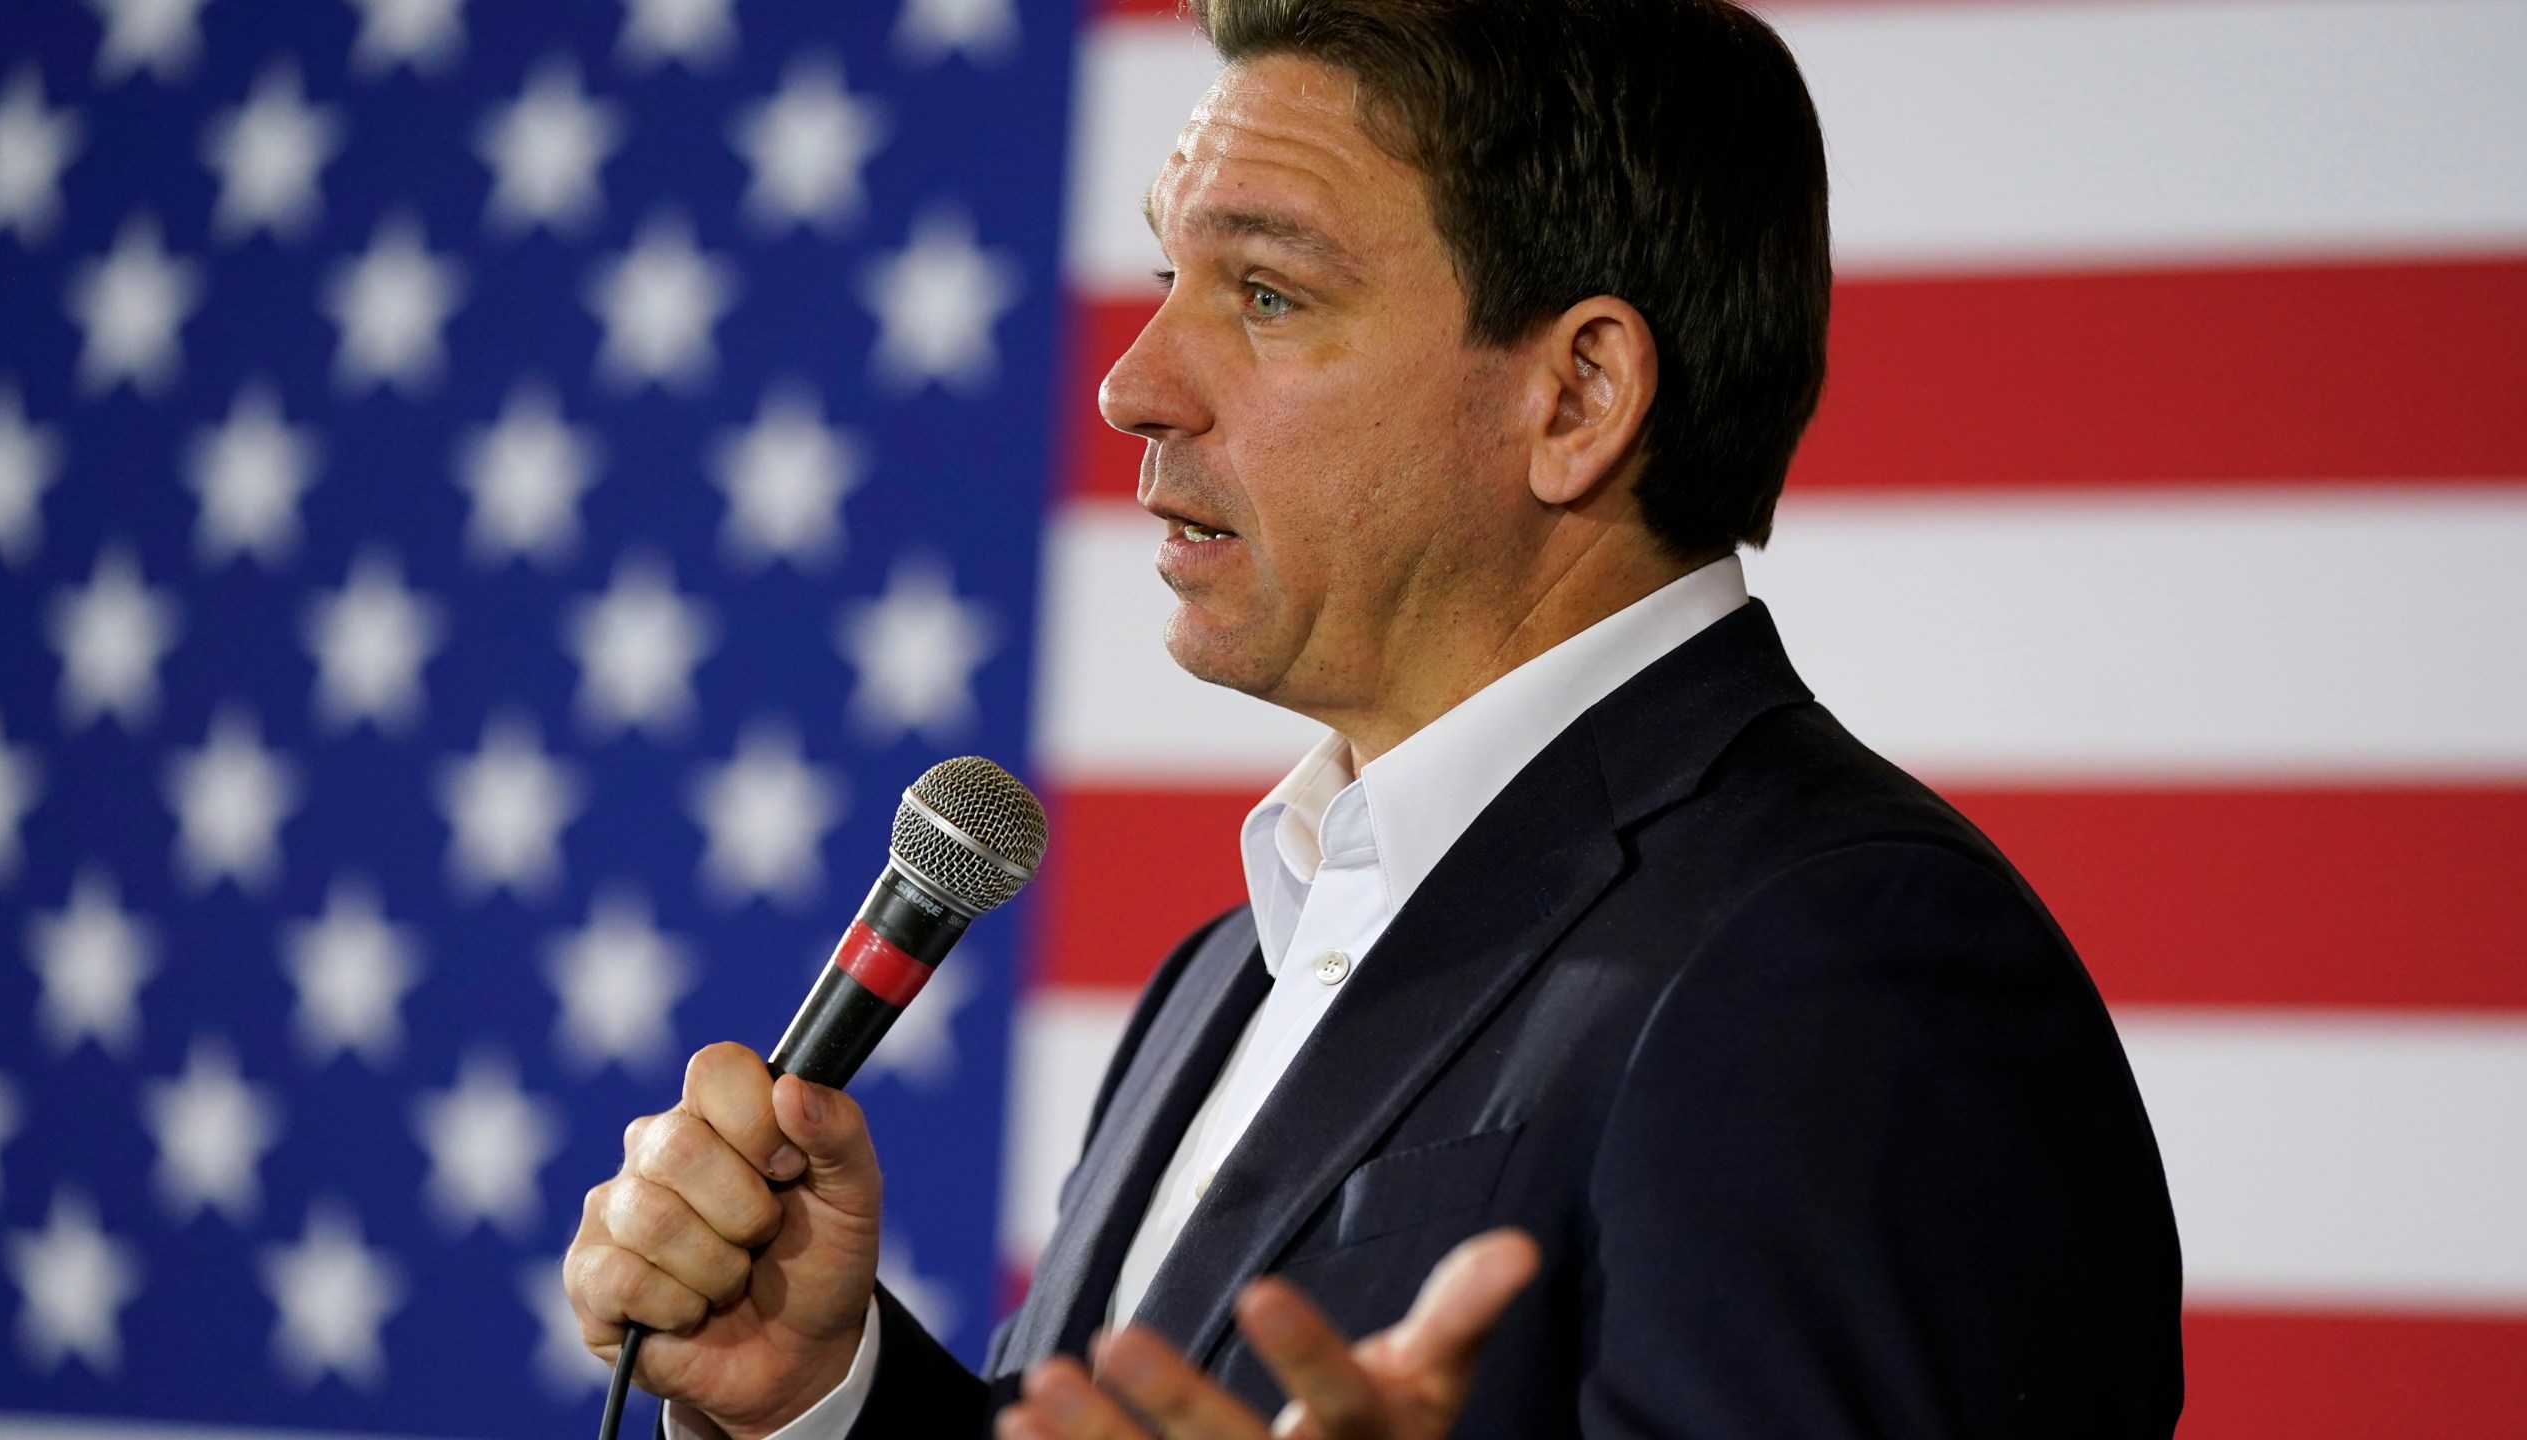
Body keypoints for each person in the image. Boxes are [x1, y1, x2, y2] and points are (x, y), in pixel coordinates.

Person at [560, 0, 2186, 1435]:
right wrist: (825, 1395)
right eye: (1165, 274)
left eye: (1266, 294)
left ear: (1576, 398)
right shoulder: (1231, 967)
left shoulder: (1842, 972)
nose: (1134, 380)